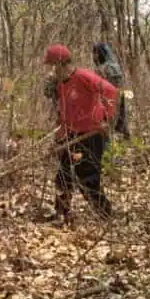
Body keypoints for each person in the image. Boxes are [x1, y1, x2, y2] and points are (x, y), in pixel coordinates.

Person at [43, 44, 117, 223]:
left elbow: (111, 92)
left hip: (92, 134)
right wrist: (57, 141)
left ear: (61, 64)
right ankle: (61, 214)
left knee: (88, 179)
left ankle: (106, 216)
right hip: (72, 135)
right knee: (63, 175)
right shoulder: (60, 86)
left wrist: (106, 118)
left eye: (52, 66)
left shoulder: (83, 76)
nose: (51, 72)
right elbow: (65, 117)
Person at [92, 41, 131, 139]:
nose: (94, 56)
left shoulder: (102, 69)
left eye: (95, 53)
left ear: (100, 53)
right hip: (119, 98)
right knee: (121, 119)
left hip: (108, 101)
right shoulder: (115, 66)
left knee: (109, 127)